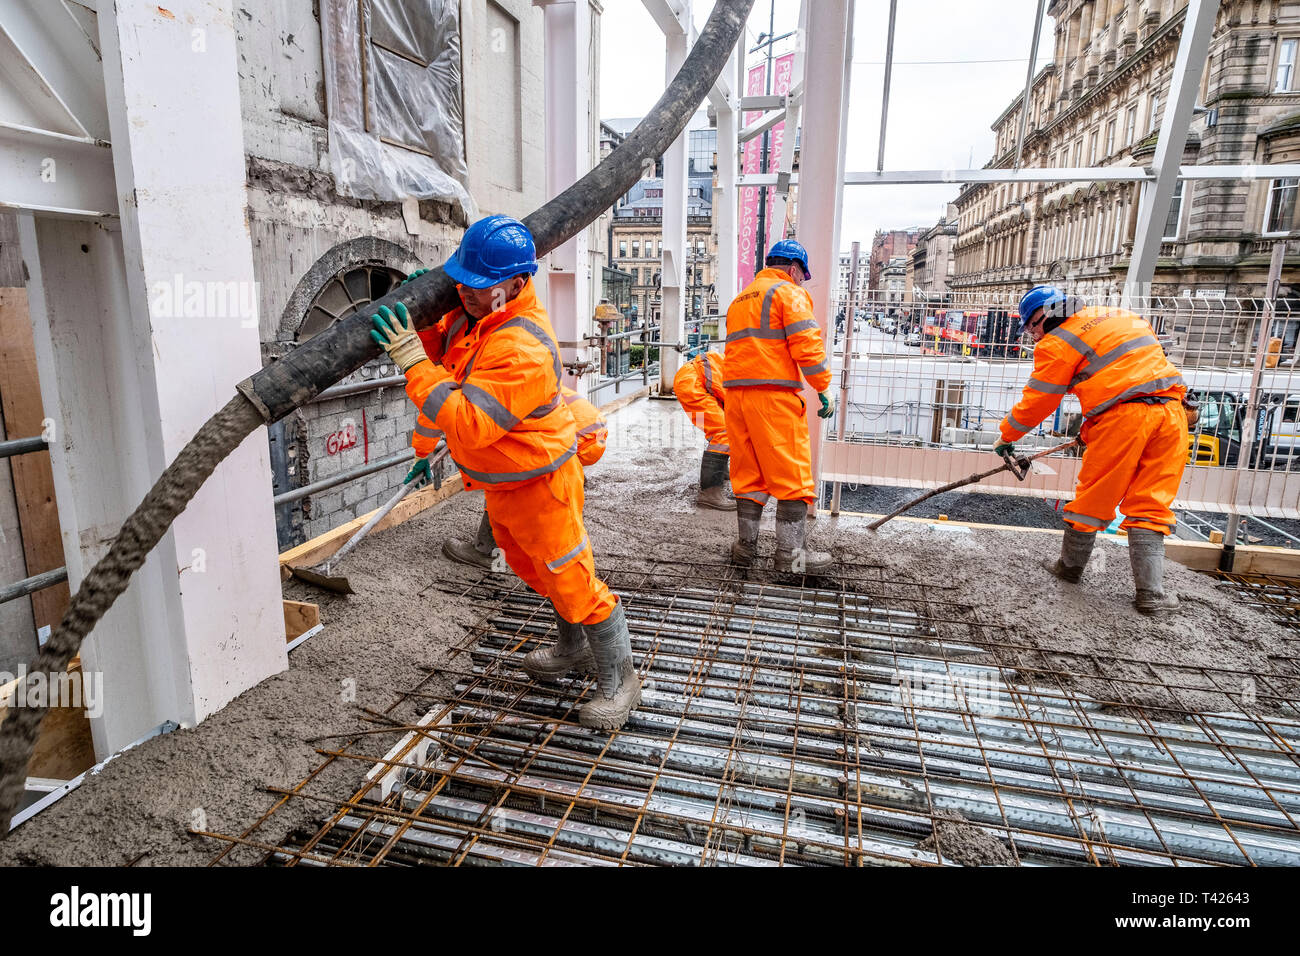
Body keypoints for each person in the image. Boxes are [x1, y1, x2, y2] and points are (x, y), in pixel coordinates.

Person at [371, 215, 640, 727]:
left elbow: (470, 423)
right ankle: (572, 649)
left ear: (516, 284)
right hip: (506, 486)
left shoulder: (521, 348)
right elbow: (445, 374)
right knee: (540, 573)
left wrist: (411, 362)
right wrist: (424, 334)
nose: (465, 292)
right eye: (461, 280)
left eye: (479, 283)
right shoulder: (477, 318)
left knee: (573, 578)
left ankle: (621, 680)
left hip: (542, 485)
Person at [995, 284, 1189, 614]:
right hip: (1172, 414)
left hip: (1123, 420)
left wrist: (1006, 436)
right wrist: (1090, 429)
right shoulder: (1121, 317)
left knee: (1093, 498)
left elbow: (1039, 401)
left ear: (1044, 317)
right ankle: (1152, 596)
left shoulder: (1058, 342)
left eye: (1031, 327)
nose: (1033, 336)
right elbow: (1130, 376)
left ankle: (1069, 569)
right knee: (1151, 503)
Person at [721, 239, 836, 573]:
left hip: (736, 398)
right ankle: (791, 560)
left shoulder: (741, 299)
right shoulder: (787, 292)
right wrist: (823, 387)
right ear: (793, 269)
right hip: (772, 397)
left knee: (748, 476)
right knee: (792, 477)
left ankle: (745, 550)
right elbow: (807, 345)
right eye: (802, 275)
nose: (801, 281)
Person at [441, 385, 607, 569]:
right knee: (552, 490)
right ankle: (540, 547)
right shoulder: (509, 381)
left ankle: (486, 551)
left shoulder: (490, 399)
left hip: (572, 436)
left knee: (504, 483)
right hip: (592, 431)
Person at [673, 350, 735, 511]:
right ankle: (710, 494)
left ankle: (720, 471)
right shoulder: (747, 385)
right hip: (692, 384)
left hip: (692, 380)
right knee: (724, 432)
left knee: (720, 426)